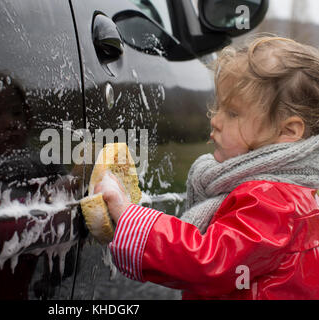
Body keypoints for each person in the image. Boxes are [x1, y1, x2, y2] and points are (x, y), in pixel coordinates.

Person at [94, 35, 319, 299]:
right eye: (218, 107)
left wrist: (127, 216)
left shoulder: (274, 202)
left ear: (287, 131)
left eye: (233, 114)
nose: (215, 120)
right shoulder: (287, 193)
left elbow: (208, 261)